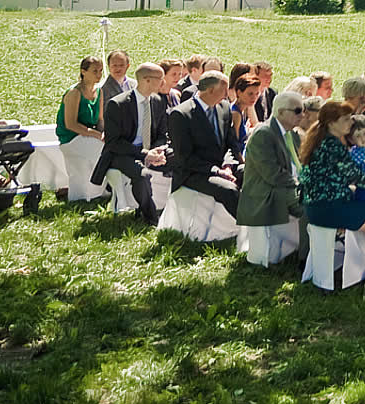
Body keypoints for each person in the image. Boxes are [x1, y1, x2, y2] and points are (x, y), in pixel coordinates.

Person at [299, 98, 365, 293]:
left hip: (326, 204)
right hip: (330, 208)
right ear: (333, 123)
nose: (351, 122)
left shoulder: (325, 140)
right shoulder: (332, 146)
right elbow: (359, 178)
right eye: (347, 119)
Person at [91, 61, 172, 224]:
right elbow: (113, 143)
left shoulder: (157, 101)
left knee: (182, 159)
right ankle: (150, 217)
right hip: (122, 153)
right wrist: (144, 154)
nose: (164, 83)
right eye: (160, 78)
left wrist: (157, 150)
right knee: (143, 175)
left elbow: (162, 134)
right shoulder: (118, 104)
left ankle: (176, 212)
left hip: (150, 150)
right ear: (147, 80)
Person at [238, 91, 306, 258]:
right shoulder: (264, 134)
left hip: (288, 185)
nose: (302, 115)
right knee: (310, 207)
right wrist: (302, 186)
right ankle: (306, 258)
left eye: (303, 110)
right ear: (281, 112)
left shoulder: (294, 134)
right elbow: (273, 175)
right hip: (267, 191)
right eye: (297, 111)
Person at [165, 71, 240, 216]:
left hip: (223, 166)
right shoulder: (182, 114)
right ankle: (248, 227)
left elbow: (230, 142)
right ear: (211, 90)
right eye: (224, 90)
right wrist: (217, 171)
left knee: (251, 174)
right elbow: (184, 158)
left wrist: (228, 165)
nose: (227, 94)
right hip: (195, 172)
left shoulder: (224, 108)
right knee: (228, 189)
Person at [56, 54, 108, 202]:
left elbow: (100, 119)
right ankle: (88, 193)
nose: (98, 75)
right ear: (83, 72)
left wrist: (104, 133)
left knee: (107, 147)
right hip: (71, 137)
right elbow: (70, 124)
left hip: (88, 134)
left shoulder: (99, 91)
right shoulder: (74, 93)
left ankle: (97, 190)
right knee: (100, 149)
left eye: (100, 71)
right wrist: (96, 135)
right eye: (94, 71)